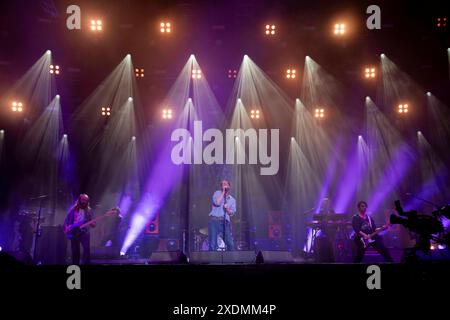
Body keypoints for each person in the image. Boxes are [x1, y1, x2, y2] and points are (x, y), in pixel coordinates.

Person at [64, 194, 96, 264]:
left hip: (84, 232)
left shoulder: (89, 211)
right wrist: (67, 230)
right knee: (75, 251)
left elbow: (93, 224)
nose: (84, 201)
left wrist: (91, 223)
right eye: (83, 199)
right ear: (79, 200)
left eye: (86, 200)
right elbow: (66, 220)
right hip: (74, 232)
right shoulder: (73, 209)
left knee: (86, 251)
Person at [208, 180, 236, 251]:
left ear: (229, 186)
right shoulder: (217, 193)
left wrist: (227, 209)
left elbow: (232, 213)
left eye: (226, 183)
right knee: (213, 244)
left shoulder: (232, 199)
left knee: (230, 243)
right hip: (214, 221)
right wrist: (223, 192)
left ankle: (232, 261)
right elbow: (217, 203)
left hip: (225, 223)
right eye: (222, 184)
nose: (224, 185)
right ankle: (212, 261)